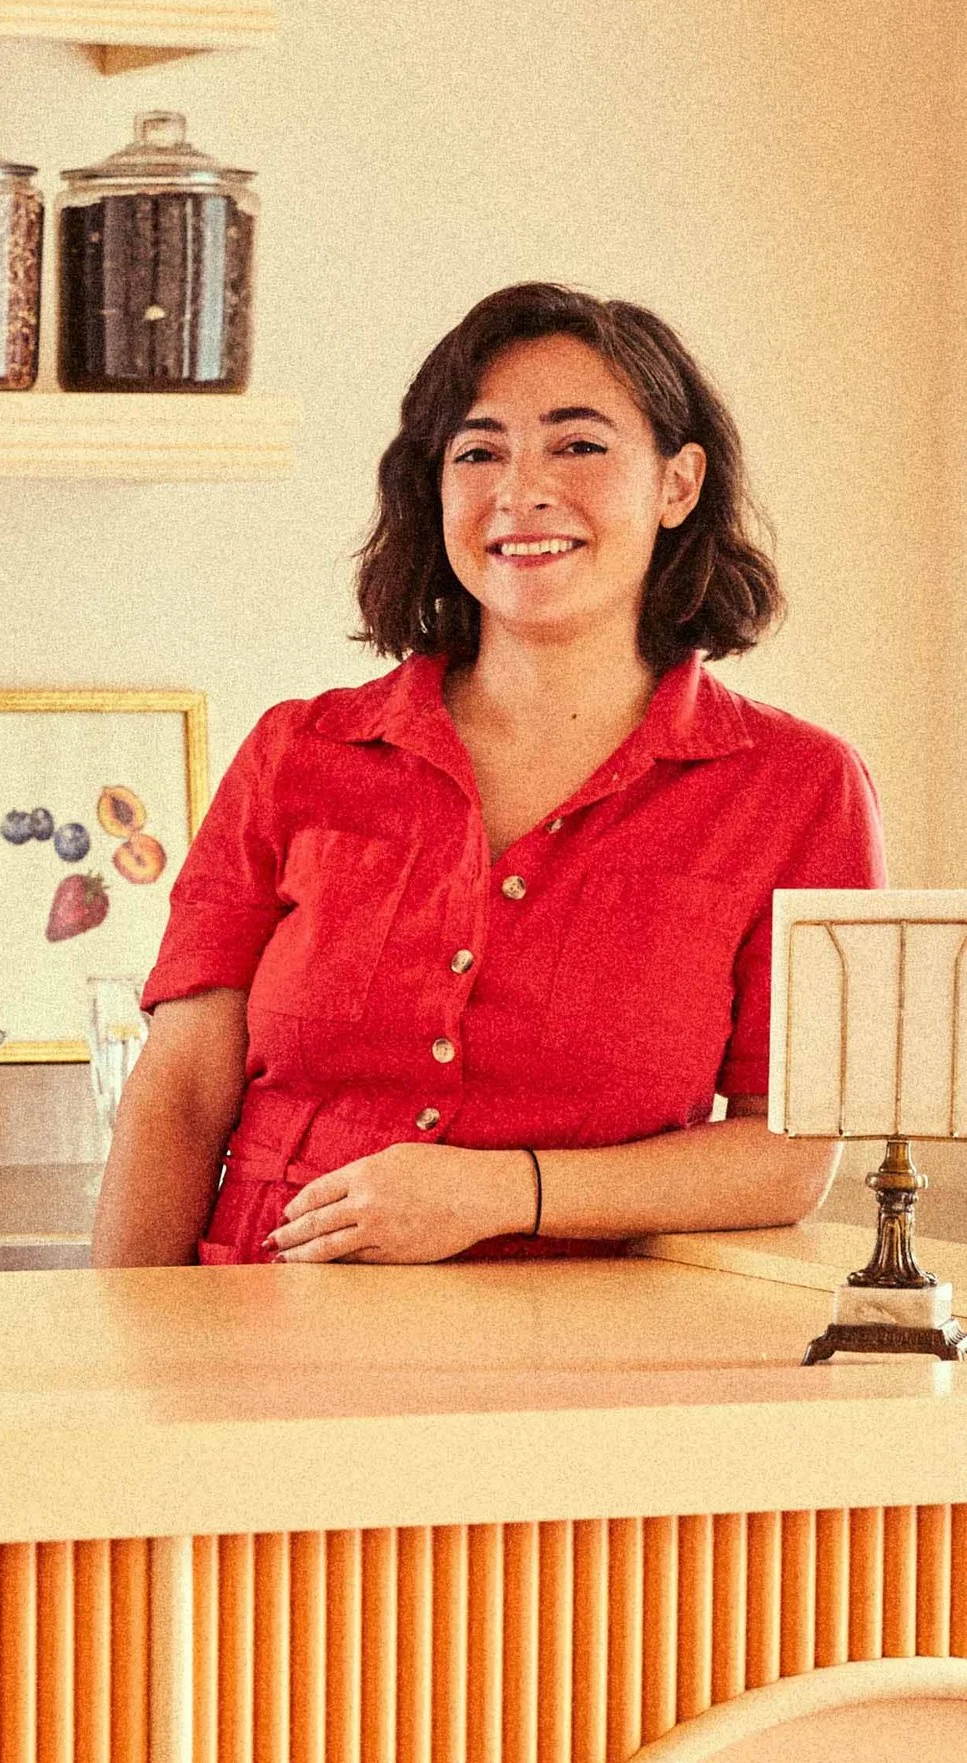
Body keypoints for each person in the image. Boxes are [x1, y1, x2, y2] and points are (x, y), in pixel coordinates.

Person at [90, 282, 883, 1269]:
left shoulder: (796, 788)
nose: (520, 491)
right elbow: (178, 1094)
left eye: (578, 444)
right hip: (261, 1338)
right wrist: (124, 1348)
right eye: (478, 452)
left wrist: (500, 1189)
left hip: (583, 1360)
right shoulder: (298, 753)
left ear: (678, 484)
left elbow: (788, 1152)